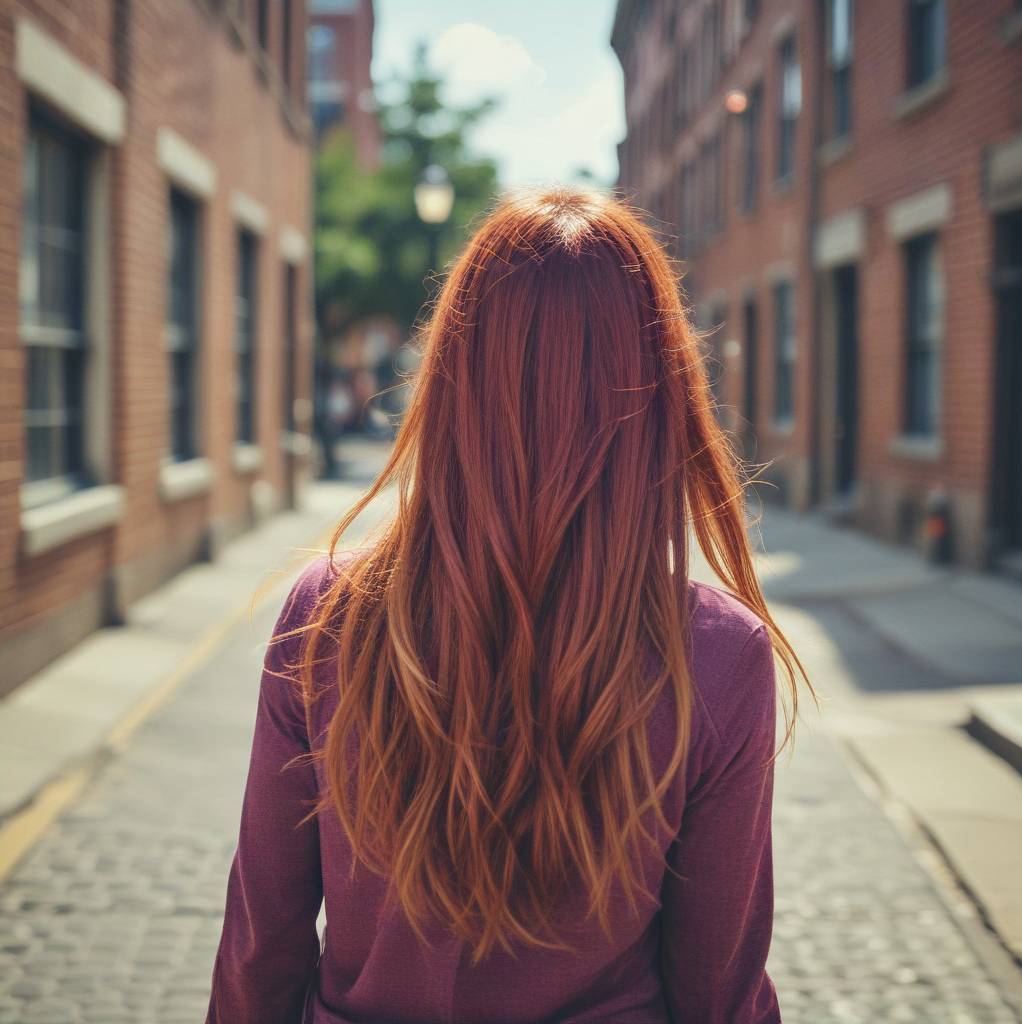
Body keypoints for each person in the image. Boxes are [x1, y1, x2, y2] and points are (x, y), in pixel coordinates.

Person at [204, 187, 814, 1024]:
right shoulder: (716, 652)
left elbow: (260, 949)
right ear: (661, 394)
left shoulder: (332, 614)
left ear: (452, 383)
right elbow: (720, 993)